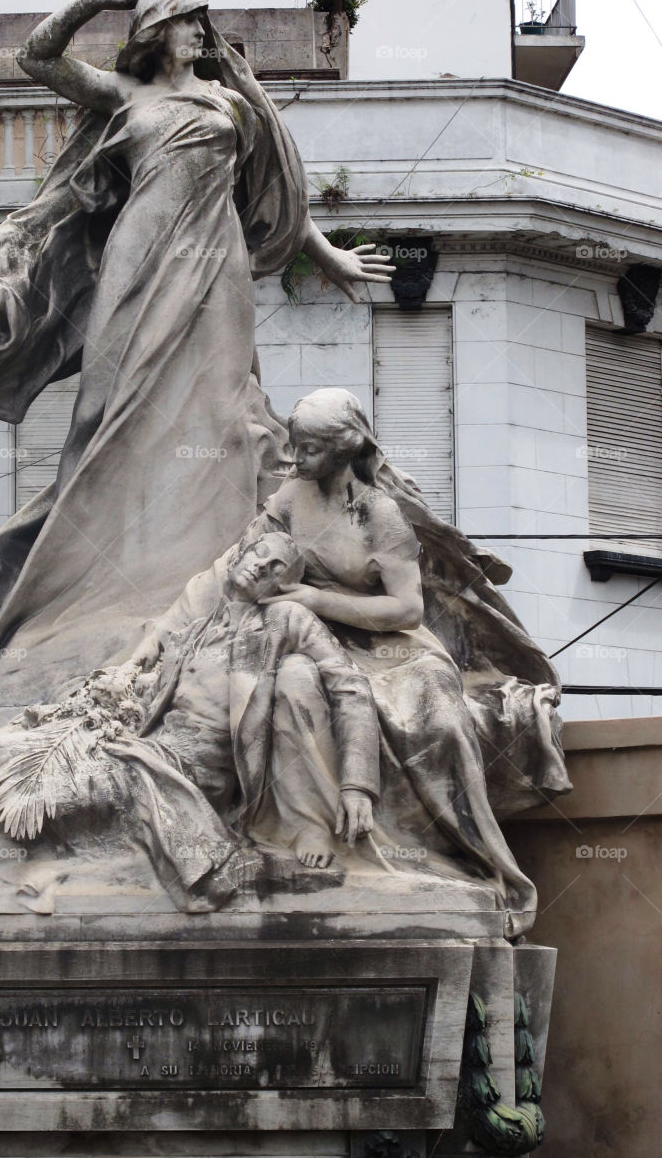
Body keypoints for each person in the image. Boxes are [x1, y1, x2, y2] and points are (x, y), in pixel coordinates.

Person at [0, 0, 393, 707]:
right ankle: (78, 577)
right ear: (156, 30)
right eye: (187, 22)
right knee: (105, 415)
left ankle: (204, 570)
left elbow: (271, 194)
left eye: (204, 23)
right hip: (137, 262)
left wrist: (329, 257)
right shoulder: (125, 96)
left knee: (226, 412)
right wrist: (89, 3)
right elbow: (36, 57)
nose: (201, 34)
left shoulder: (230, 100)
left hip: (215, 265)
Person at [0, 534, 380, 922]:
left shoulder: (287, 622)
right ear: (241, 554)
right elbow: (142, 686)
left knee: (2, 781)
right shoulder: (198, 624)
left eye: (279, 567)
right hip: (137, 752)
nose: (264, 567)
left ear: (284, 583)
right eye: (260, 553)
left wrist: (356, 786)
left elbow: (350, 687)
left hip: (178, 782)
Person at [147, 388, 572, 937]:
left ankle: (468, 856)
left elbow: (408, 608)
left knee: (439, 721)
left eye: (308, 450)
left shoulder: (379, 514)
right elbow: (239, 563)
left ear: (345, 450)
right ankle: (307, 828)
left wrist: (319, 600)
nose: (295, 460)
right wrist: (165, 632)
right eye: (294, 447)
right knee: (291, 683)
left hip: (391, 644)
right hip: (313, 637)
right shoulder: (289, 498)